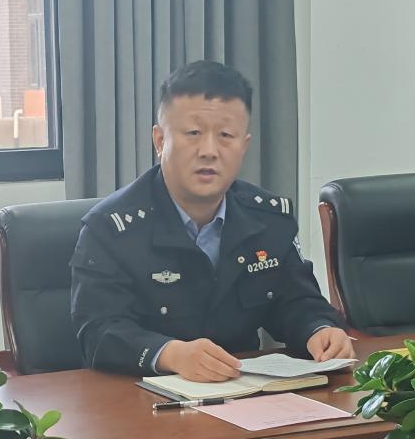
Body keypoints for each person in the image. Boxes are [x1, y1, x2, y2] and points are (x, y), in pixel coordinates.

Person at [70, 60, 352, 381]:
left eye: (226, 136)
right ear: (160, 141)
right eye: (193, 133)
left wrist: (320, 329)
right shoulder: (111, 228)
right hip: (141, 397)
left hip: (243, 391)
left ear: (244, 146)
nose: (209, 151)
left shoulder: (268, 218)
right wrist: (171, 354)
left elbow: (297, 301)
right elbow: (98, 331)